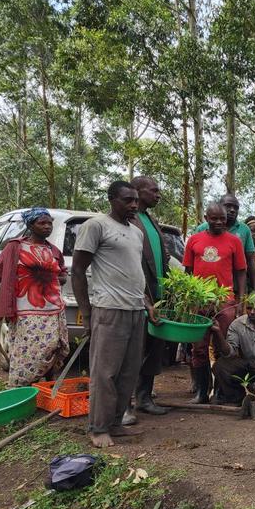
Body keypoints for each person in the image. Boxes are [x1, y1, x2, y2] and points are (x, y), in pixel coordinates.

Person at [72, 181, 154, 448]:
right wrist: (86, 312)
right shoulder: (96, 226)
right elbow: (77, 271)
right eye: (127, 200)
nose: (133, 205)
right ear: (111, 199)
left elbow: (134, 272)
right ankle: (98, 427)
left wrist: (147, 304)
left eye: (135, 200)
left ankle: (116, 423)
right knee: (105, 373)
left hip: (134, 310)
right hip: (109, 309)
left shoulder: (135, 232)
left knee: (128, 372)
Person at [0, 208, 69, 387]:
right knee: (28, 352)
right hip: (25, 310)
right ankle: (22, 389)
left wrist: (54, 278)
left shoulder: (54, 251)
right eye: (41, 223)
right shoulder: (15, 247)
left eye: (49, 223)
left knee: (52, 348)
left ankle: (48, 388)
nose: (47, 226)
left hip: (53, 310)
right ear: (30, 225)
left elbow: (63, 276)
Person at [183, 202, 247, 404]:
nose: (219, 222)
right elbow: (188, 272)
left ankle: (221, 391)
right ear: (206, 218)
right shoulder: (194, 240)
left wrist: (241, 300)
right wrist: (188, 300)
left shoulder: (234, 241)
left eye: (222, 218)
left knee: (223, 346)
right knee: (199, 348)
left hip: (224, 300)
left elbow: (241, 271)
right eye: (214, 218)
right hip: (199, 300)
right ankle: (202, 392)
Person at [122, 176, 170, 423]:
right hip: (138, 299)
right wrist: (144, 299)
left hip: (157, 298)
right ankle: (126, 404)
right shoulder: (129, 222)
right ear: (139, 192)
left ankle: (144, 398)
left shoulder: (151, 221)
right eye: (154, 190)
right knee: (133, 352)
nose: (158, 195)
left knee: (153, 350)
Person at [194, 193, 255, 290]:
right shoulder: (201, 229)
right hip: (204, 288)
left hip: (235, 287)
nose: (232, 210)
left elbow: (251, 260)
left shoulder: (244, 230)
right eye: (228, 206)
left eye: (236, 207)